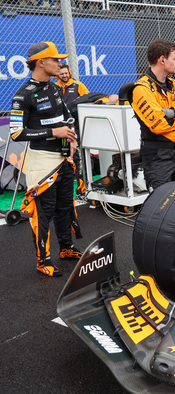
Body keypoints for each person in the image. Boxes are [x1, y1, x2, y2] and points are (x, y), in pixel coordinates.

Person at [10, 41, 82, 277]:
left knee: (65, 207)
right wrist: (54, 132)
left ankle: (67, 248)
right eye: (55, 60)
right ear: (41, 62)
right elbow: (16, 133)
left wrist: (71, 139)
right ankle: (44, 260)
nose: (59, 64)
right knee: (43, 213)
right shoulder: (23, 96)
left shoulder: (53, 88)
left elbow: (66, 118)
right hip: (42, 161)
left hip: (64, 157)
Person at [129, 39, 175, 193]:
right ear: (162, 60)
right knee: (160, 203)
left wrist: (173, 113)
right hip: (157, 156)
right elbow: (159, 126)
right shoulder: (141, 88)